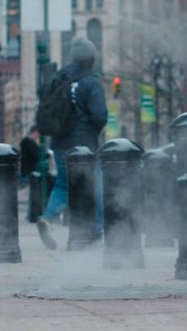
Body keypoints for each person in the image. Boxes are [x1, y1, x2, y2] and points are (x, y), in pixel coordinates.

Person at [37, 37, 107, 249]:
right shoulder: (91, 82)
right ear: (91, 58)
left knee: (63, 184)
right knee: (96, 186)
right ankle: (96, 232)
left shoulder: (58, 79)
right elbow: (100, 115)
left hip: (59, 142)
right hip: (84, 144)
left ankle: (48, 218)